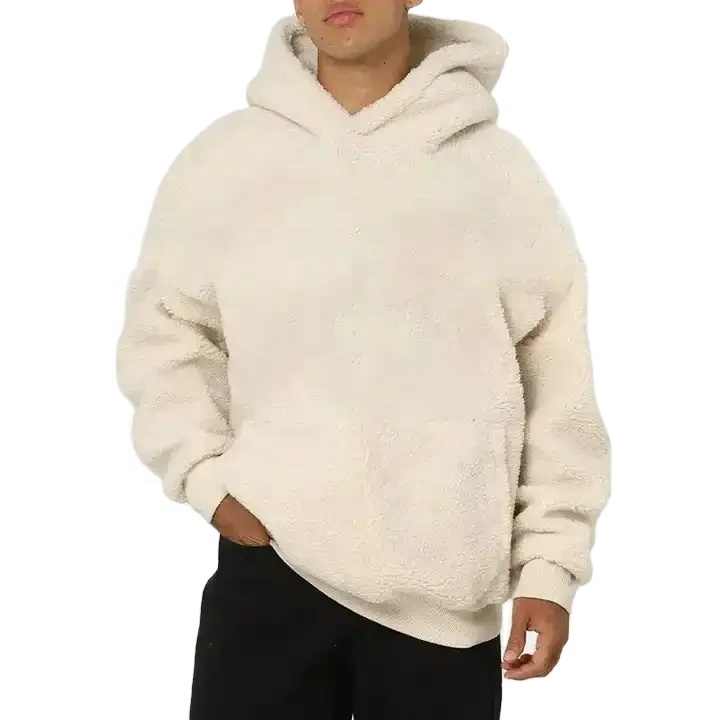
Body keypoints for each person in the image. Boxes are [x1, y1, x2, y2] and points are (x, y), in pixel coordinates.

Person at [116, 2, 612, 718]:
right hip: (273, 567)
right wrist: (205, 477)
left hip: (444, 602)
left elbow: (557, 381)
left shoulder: (497, 177)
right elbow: (166, 334)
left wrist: (549, 564)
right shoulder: (225, 164)